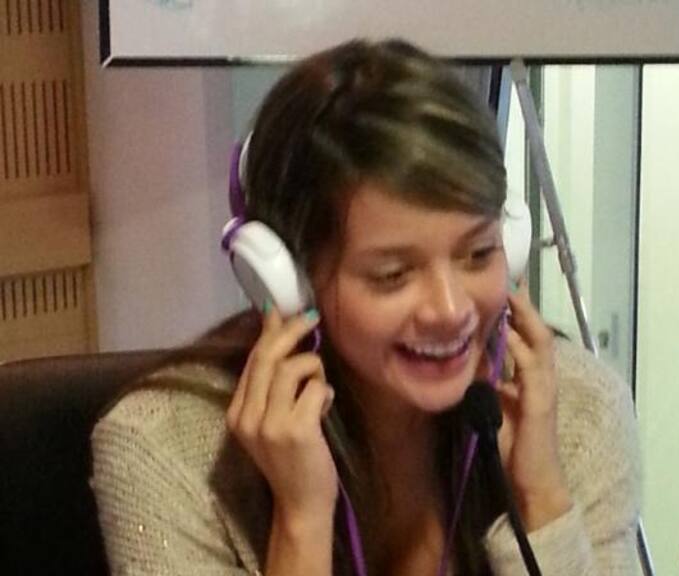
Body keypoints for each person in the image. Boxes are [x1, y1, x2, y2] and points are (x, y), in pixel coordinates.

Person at [91, 39, 640, 575]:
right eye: (392, 275)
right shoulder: (167, 450)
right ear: (287, 282)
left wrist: (541, 498)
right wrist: (301, 524)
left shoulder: (579, 411)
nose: (451, 310)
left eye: (478, 254)